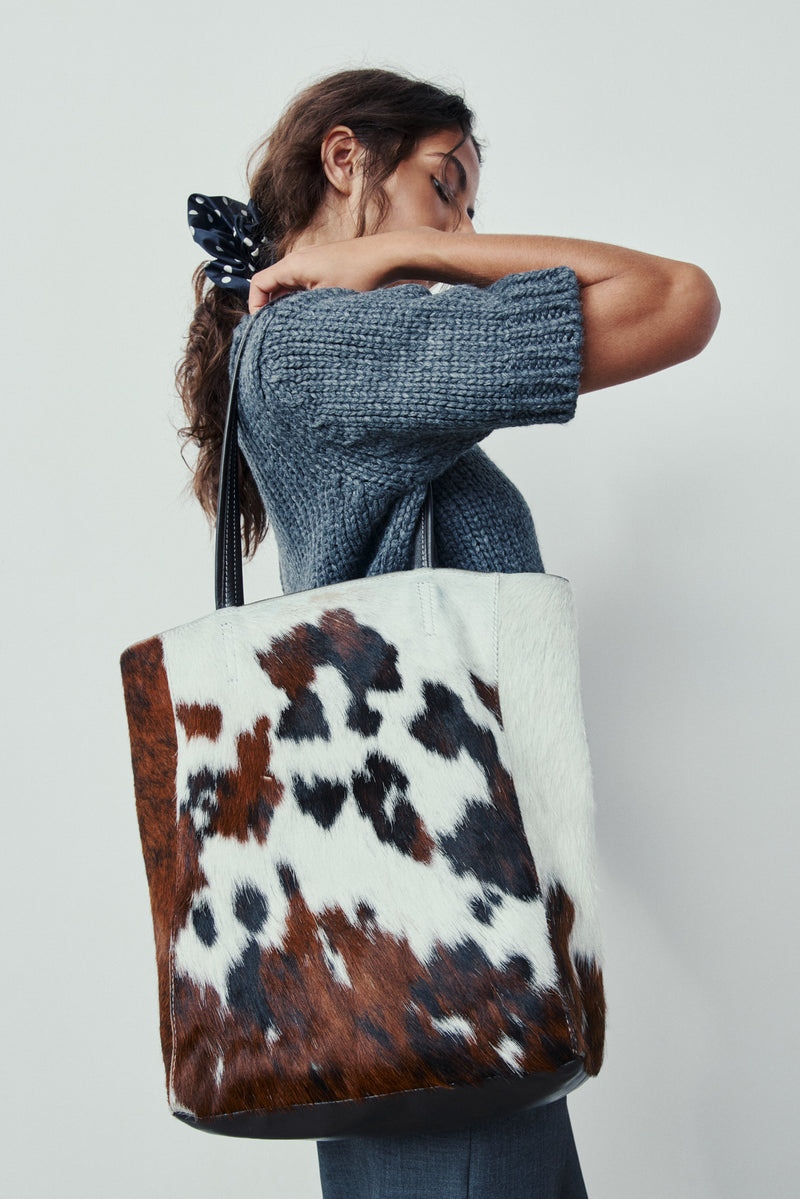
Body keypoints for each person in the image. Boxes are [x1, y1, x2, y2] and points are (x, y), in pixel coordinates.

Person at [177, 66, 720, 1199]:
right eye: (446, 186)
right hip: (436, 953)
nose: (461, 232)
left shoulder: (321, 353)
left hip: (409, 945)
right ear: (345, 160)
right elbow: (675, 298)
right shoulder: (321, 344)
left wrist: (405, 249)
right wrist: (388, 258)